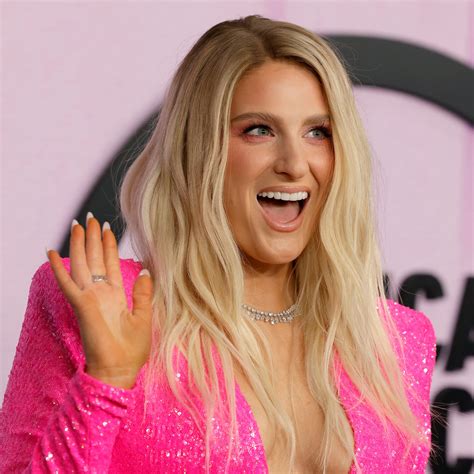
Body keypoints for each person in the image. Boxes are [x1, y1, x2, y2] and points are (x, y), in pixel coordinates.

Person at [0, 15, 436, 473]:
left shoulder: (395, 342)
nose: (294, 163)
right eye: (259, 130)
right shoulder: (104, 304)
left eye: (318, 132)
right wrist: (106, 381)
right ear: (199, 150)